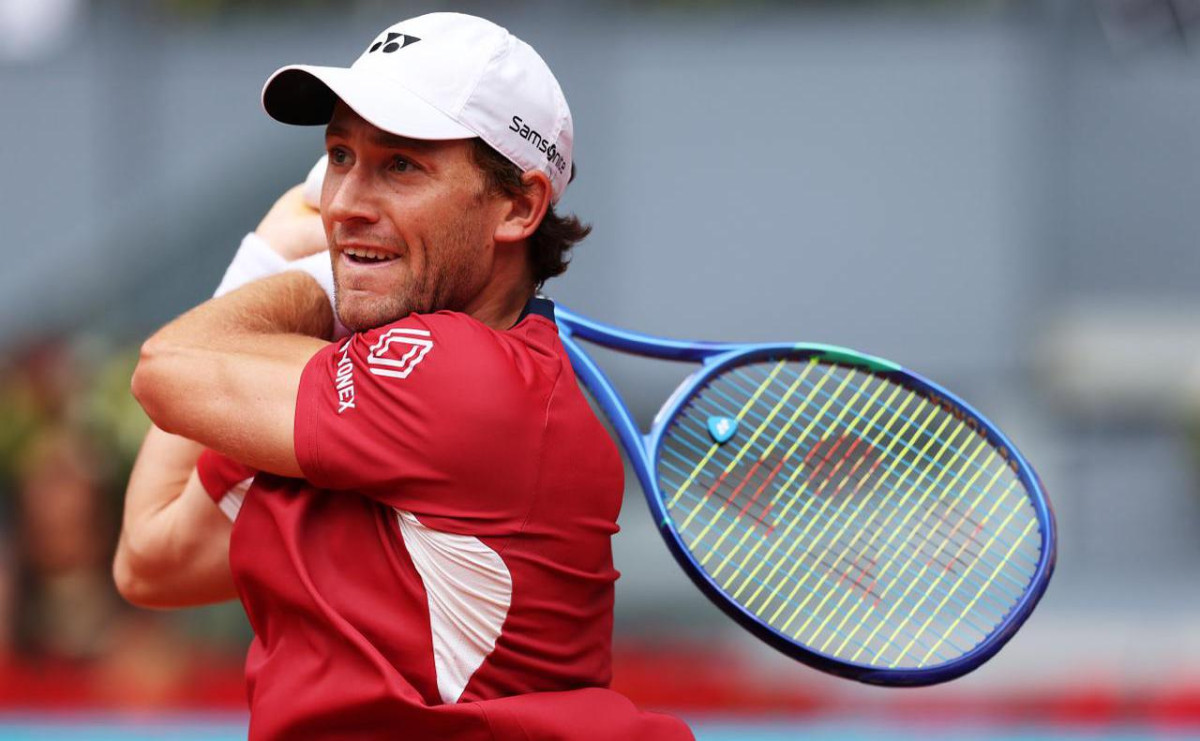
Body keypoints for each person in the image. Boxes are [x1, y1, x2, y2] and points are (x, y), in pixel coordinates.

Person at [112, 12, 693, 741]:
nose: (344, 203)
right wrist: (328, 270)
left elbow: (168, 367)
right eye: (340, 156)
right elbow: (151, 557)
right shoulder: (346, 384)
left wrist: (298, 264)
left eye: (401, 166)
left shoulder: (459, 374)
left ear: (519, 205)